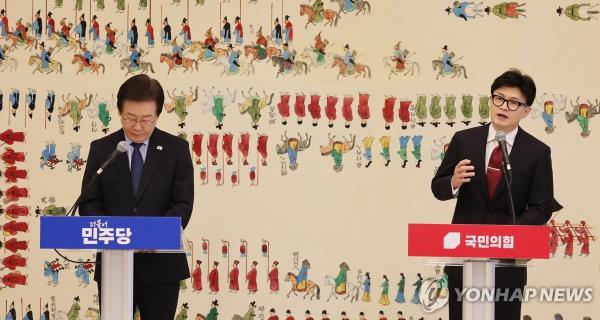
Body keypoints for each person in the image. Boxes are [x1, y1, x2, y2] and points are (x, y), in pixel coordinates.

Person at [431, 69, 562, 320]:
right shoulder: (464, 140)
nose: (504, 106)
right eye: (499, 98)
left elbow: (542, 205)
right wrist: (453, 182)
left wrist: (509, 237)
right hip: (464, 260)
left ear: (526, 111)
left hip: (507, 265)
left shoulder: (537, 152)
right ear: (490, 100)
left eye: (514, 103)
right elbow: (438, 187)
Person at [79, 74, 194, 320]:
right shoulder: (101, 149)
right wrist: (116, 236)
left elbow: (183, 203)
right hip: (114, 264)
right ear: (120, 111)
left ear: (158, 115)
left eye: (146, 120)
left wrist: (153, 235)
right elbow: (89, 203)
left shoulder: (176, 150)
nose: (138, 127)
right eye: (130, 118)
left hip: (162, 266)